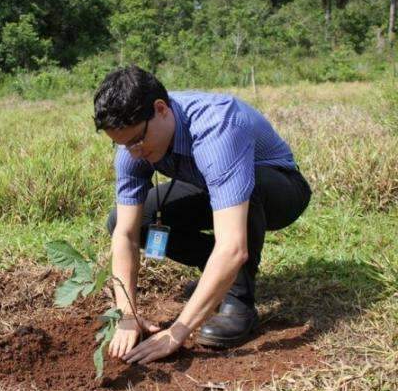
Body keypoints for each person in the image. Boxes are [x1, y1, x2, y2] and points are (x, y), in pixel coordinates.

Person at [93, 66, 311, 365]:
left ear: (161, 110)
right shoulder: (135, 143)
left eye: (136, 141)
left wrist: (177, 331)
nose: (132, 153)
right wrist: (127, 314)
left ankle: (239, 302)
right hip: (209, 187)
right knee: (122, 219)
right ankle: (217, 273)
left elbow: (233, 247)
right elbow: (126, 234)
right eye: (122, 144)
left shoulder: (217, 128)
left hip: (279, 189)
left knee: (245, 193)